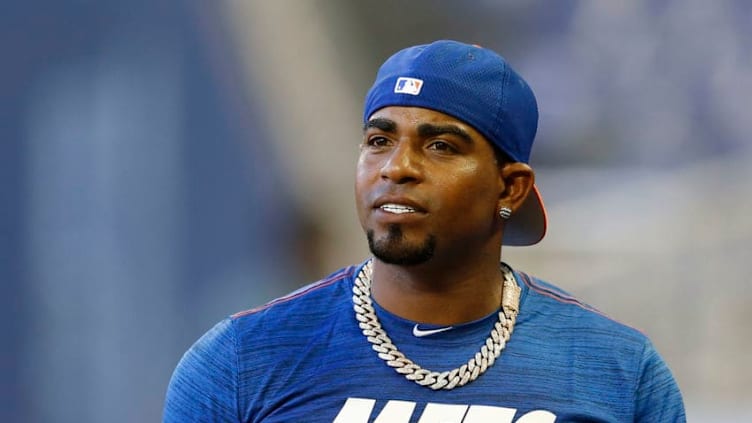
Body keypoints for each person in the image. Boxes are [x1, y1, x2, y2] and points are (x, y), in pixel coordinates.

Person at [163, 40, 685, 422]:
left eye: (441, 146)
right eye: (378, 140)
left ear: (510, 190)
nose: (397, 167)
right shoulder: (243, 359)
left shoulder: (616, 370)